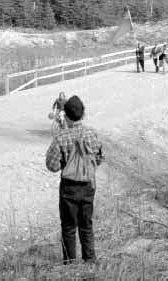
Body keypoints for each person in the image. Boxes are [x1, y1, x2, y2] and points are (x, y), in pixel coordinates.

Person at [45, 95, 103, 264]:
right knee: (87, 225)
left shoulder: (61, 138)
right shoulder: (91, 133)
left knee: (69, 227)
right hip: (88, 185)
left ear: (66, 115)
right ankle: (90, 261)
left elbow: (52, 166)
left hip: (68, 189)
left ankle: (70, 264)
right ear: (83, 114)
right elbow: (98, 159)